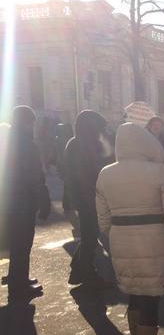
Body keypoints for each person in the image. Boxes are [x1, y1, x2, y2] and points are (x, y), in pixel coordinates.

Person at [96, 123, 164, 335]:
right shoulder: (160, 171)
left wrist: (115, 235)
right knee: (150, 301)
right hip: (154, 238)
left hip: (121, 239)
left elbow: (103, 219)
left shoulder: (105, 173)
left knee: (135, 295)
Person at [0, 106, 50, 300]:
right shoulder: (26, 144)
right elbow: (34, 177)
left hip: (8, 201)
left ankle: (16, 278)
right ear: (27, 123)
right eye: (32, 122)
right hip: (22, 202)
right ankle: (19, 286)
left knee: (16, 243)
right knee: (22, 244)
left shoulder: (7, 140)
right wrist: (43, 200)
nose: (33, 126)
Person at [64, 110, 112, 286]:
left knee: (89, 236)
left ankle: (78, 271)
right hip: (88, 198)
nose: (101, 132)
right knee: (90, 236)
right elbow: (85, 175)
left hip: (87, 197)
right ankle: (86, 274)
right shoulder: (80, 145)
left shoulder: (80, 143)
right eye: (99, 128)